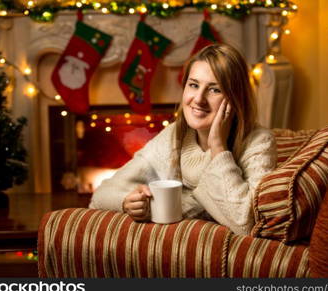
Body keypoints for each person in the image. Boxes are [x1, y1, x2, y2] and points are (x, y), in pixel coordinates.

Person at [89, 43, 277, 235]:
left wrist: (218, 147)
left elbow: (246, 224)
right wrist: (126, 201)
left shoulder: (259, 142)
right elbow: (100, 196)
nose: (198, 99)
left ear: (236, 98)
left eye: (214, 90)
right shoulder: (174, 136)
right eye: (193, 85)